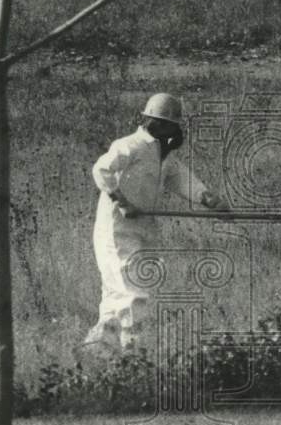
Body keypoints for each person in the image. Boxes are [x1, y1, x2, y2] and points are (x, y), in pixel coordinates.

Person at [84, 93, 228, 353]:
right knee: (134, 294)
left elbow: (181, 179)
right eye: (173, 126)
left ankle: (96, 353)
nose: (177, 133)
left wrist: (208, 199)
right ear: (158, 124)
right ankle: (133, 358)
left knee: (117, 296)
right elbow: (101, 169)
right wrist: (122, 200)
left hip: (143, 230)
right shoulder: (129, 145)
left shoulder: (163, 156)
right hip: (116, 230)